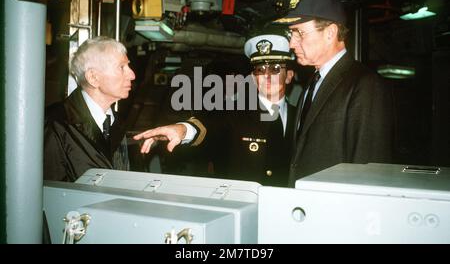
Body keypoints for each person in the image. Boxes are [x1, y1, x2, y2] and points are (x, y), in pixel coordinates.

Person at [134, 34, 297, 186]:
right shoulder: (234, 113)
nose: (266, 76)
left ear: (289, 75)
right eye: (260, 70)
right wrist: (183, 130)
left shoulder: (301, 116)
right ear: (254, 78)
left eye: (275, 68)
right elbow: (209, 126)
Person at [274, 0, 395, 186]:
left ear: (330, 33)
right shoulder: (313, 83)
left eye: (299, 33)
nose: (291, 43)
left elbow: (370, 169)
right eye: (291, 34)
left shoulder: (365, 84)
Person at [44, 36, 136, 182]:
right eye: (121, 67)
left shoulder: (117, 123)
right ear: (93, 77)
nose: (132, 75)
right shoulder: (55, 124)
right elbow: (49, 193)